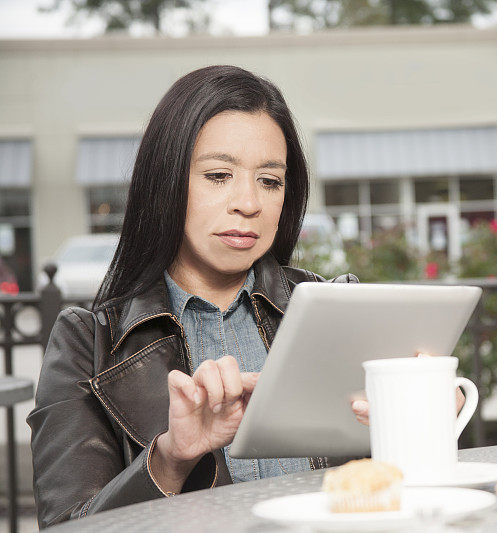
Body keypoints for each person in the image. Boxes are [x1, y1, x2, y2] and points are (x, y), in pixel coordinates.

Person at [27, 65, 367, 528]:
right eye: (219, 175)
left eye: (270, 180)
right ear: (165, 181)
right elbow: (68, 526)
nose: (248, 202)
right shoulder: (86, 346)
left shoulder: (337, 311)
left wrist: (421, 419)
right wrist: (169, 460)